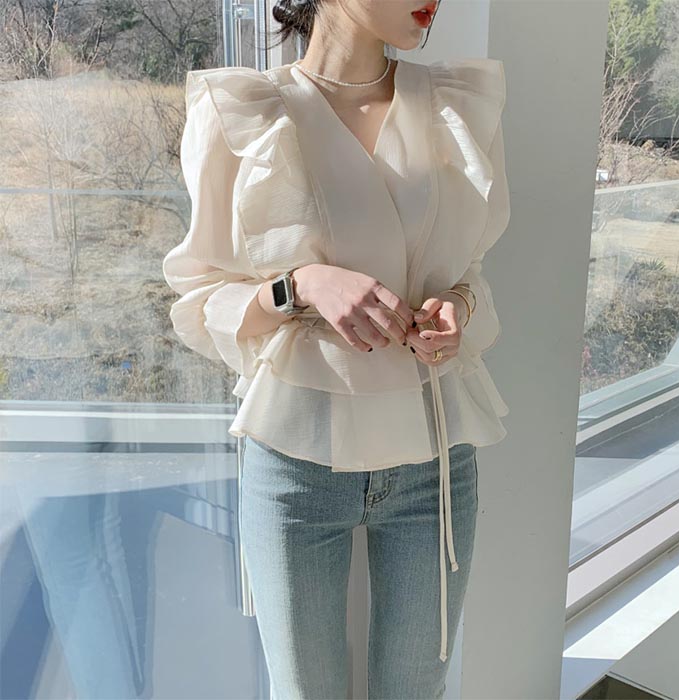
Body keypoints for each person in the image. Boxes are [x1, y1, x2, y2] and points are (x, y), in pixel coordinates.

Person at [162, 0, 511, 696]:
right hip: (296, 462)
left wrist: (457, 307)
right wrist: (301, 285)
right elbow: (198, 298)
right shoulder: (247, 111)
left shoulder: (455, 104)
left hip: (434, 457)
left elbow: (469, 270)